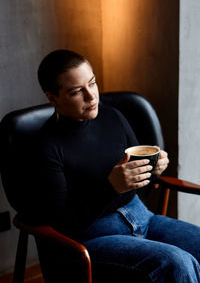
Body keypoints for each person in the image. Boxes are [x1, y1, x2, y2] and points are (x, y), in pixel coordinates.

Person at [32, 49, 200, 282]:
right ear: (53, 98)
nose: (91, 97)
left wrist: (153, 169)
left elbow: (140, 183)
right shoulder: (46, 146)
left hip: (143, 217)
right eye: (76, 91)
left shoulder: (113, 117)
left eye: (92, 83)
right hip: (93, 236)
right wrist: (110, 187)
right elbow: (61, 221)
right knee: (176, 262)